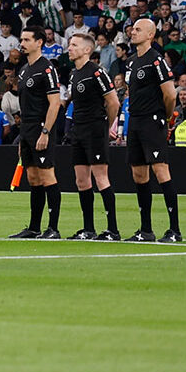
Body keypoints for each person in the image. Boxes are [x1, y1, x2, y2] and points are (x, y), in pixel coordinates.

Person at [121, 18, 182, 242]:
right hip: (135, 120)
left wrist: (164, 116)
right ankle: (146, 230)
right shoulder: (130, 62)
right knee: (138, 174)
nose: (132, 32)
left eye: (138, 29)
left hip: (152, 120)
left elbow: (170, 94)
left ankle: (174, 230)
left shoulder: (156, 60)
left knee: (161, 170)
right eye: (132, 28)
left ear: (150, 35)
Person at [6, 25, 65, 240]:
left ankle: (53, 228)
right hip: (27, 129)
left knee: (47, 174)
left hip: (42, 128)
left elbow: (55, 103)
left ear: (39, 42)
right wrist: (23, 136)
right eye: (21, 40)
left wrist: (46, 131)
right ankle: (33, 227)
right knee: (32, 177)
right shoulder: (23, 70)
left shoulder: (47, 68)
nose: (22, 44)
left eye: (26, 40)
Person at [61, 31, 120, 240]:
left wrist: (106, 125)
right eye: (69, 45)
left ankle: (112, 229)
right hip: (79, 129)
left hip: (95, 129)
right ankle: (89, 228)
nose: (70, 48)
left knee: (101, 177)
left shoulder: (97, 72)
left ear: (87, 49)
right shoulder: (74, 74)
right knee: (81, 180)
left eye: (74, 45)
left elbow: (113, 102)